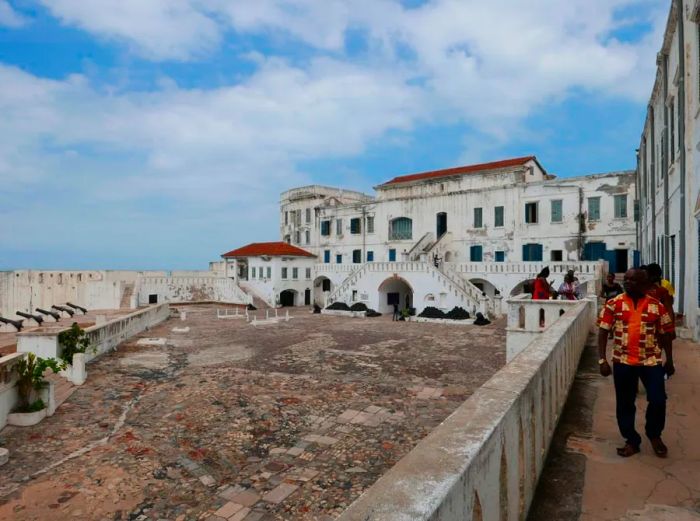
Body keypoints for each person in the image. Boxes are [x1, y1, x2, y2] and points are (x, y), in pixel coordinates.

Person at [597, 268, 675, 458]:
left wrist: (670, 360)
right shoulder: (613, 304)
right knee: (625, 403)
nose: (628, 282)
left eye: (634, 280)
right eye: (627, 279)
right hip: (623, 361)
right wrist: (602, 360)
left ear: (645, 283)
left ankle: (654, 434)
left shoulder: (657, 306)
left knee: (658, 399)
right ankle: (631, 440)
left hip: (651, 361)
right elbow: (603, 331)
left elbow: (665, 335)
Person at [644, 263, 676, 340]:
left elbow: (669, 306)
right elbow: (670, 306)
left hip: (660, 322)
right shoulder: (644, 289)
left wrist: (671, 327)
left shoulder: (663, 288)